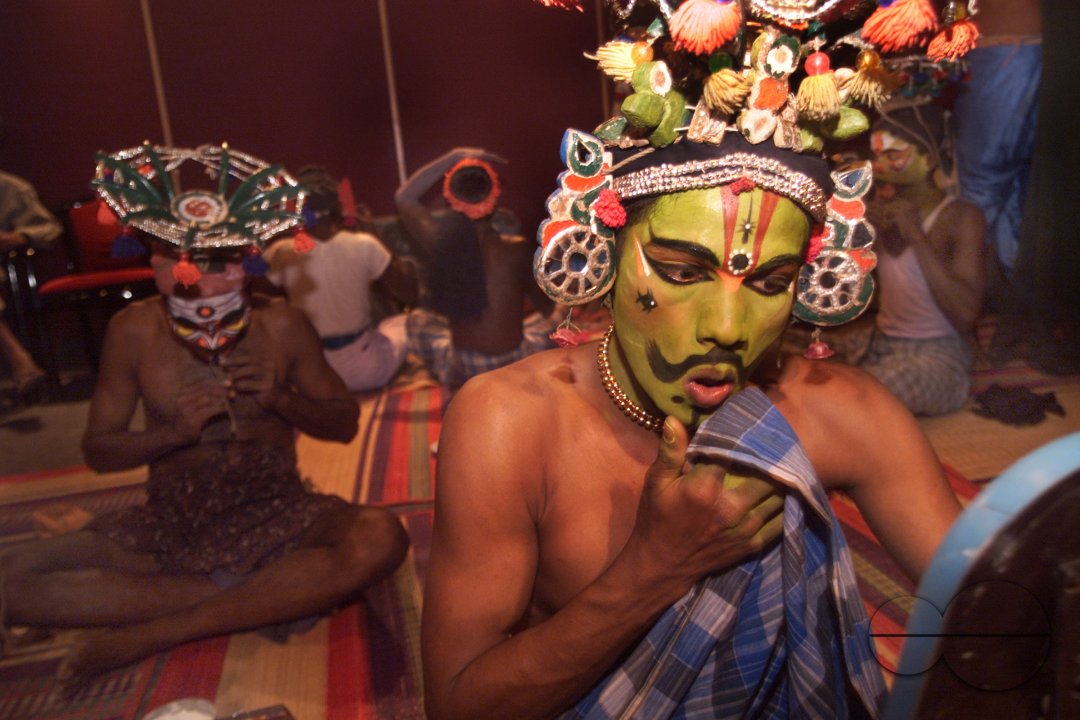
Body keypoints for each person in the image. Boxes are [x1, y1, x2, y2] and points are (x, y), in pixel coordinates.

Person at [421, 3, 970, 718]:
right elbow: (458, 703)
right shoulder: (509, 423)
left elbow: (991, 603)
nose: (727, 329)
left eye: (770, 284)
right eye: (683, 271)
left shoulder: (839, 409)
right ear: (606, 257)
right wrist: (653, 570)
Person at [0, 143, 409, 694]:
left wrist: (280, 400)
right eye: (175, 262)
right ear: (155, 264)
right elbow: (99, 452)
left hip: (280, 514)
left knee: (381, 536)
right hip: (171, 526)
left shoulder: (281, 324)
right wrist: (173, 434)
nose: (198, 281)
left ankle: (159, 631)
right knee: (13, 583)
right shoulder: (133, 330)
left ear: (245, 264)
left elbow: (344, 425)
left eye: (218, 264)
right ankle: (273, 597)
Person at [394, 147, 558, 391]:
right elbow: (546, 306)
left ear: (452, 199)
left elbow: (404, 198)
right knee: (556, 318)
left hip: (464, 370)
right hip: (513, 363)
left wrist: (454, 155)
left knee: (413, 322)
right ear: (496, 199)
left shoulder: (440, 242)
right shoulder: (516, 249)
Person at [862, 103, 986, 416]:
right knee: (803, 359)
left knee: (867, 392)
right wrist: (865, 236)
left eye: (893, 155)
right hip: (881, 344)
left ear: (930, 160)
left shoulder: (961, 217)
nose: (880, 166)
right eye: (877, 156)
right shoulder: (882, 211)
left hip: (939, 357)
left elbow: (965, 315)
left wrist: (918, 237)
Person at [263, 165, 419, 393]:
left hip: (311, 375)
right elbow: (408, 293)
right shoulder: (364, 244)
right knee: (408, 321)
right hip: (367, 371)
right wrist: (374, 234)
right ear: (339, 208)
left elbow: (260, 298)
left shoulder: (282, 251)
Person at [952, 0, 1040, 281]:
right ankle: (1016, 304)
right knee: (1019, 191)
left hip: (1002, 50)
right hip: (1031, 46)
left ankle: (973, 303)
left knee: (983, 189)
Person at [0, 168, 62, 399]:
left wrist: (20, 236)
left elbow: (49, 228)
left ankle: (20, 361)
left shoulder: (9, 188)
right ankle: (19, 361)